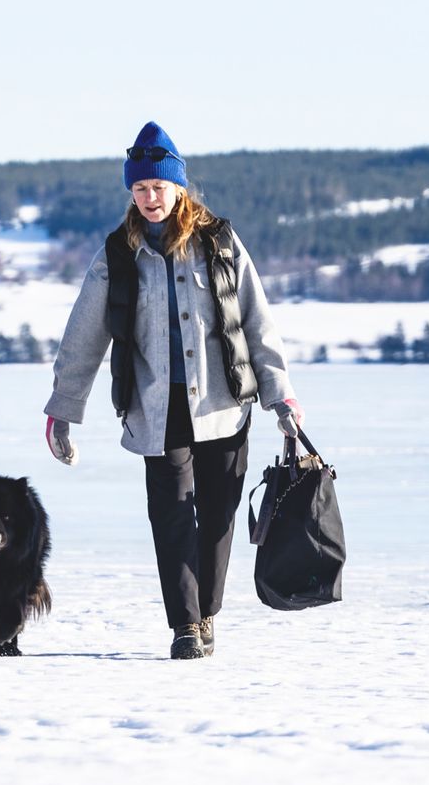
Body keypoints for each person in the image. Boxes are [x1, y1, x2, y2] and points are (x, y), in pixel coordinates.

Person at [43, 122, 302, 659]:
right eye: (139, 189)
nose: (150, 198)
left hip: (224, 406)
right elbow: (82, 336)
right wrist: (63, 409)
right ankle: (185, 625)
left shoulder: (219, 242)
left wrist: (282, 397)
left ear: (179, 188)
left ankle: (206, 610)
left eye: (158, 187)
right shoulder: (118, 254)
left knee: (218, 514)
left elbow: (257, 320)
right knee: (170, 517)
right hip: (156, 408)